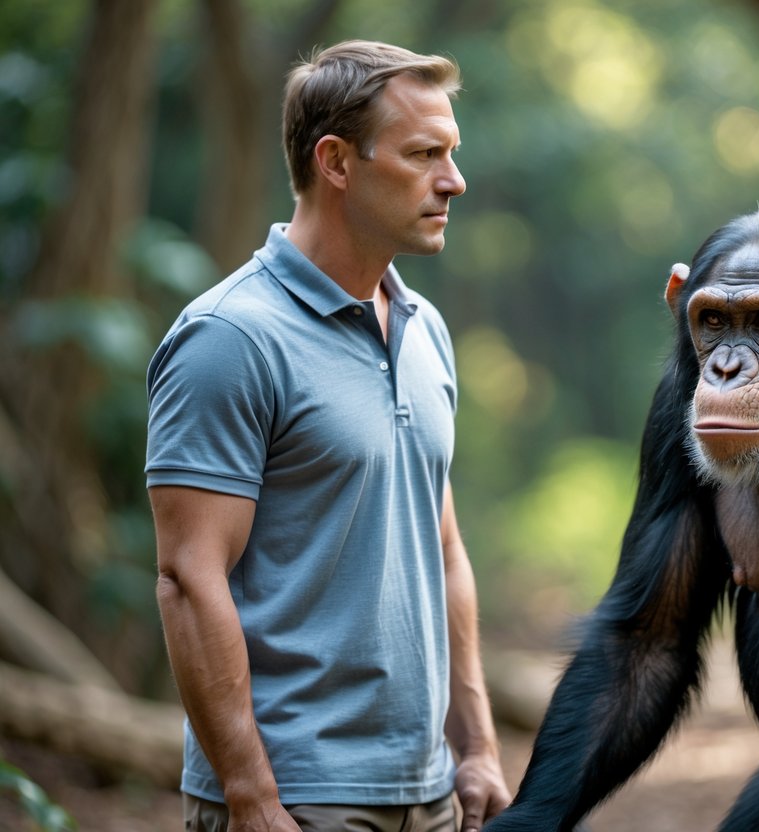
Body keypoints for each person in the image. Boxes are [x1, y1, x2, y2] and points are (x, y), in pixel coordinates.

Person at [146, 40, 511, 832]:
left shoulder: (425, 329)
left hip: (429, 792)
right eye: (423, 154)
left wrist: (475, 745)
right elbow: (188, 577)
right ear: (336, 161)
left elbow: (441, 547)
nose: (453, 180)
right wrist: (249, 794)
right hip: (298, 796)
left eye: (451, 153)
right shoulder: (229, 338)